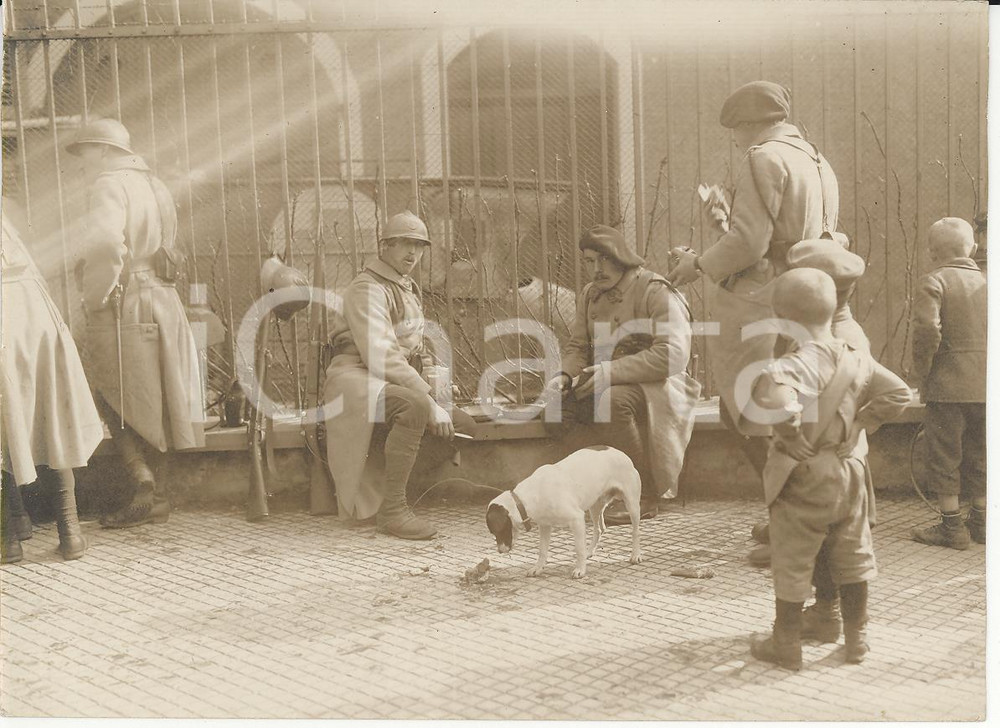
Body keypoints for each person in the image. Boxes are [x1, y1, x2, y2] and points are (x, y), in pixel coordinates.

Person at [667, 81, 841, 500]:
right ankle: (800, 509)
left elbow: (751, 244)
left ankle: (796, 509)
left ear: (748, 125)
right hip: (807, 292)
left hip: (765, 298)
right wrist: (724, 226)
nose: (735, 140)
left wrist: (699, 263)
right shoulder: (817, 160)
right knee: (794, 402)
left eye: (736, 130)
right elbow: (786, 234)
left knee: (745, 405)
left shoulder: (762, 157)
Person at [745, 268, 910, 670]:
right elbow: (900, 393)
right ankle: (857, 640)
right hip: (850, 470)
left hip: (805, 474)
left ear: (784, 321)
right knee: (853, 554)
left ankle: (785, 643)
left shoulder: (789, 364)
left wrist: (790, 430)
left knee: (793, 556)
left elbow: (782, 401)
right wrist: (859, 423)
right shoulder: (856, 357)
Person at [68, 119, 205, 529]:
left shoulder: (109, 183)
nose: (82, 162)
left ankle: (142, 482)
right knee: (157, 396)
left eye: (86, 151)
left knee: (108, 386)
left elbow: (108, 244)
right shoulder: (155, 183)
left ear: (107, 149)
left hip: (125, 299)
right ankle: (157, 492)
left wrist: (94, 296)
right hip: (163, 298)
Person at [749, 238, 874, 643]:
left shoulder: (837, 338)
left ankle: (817, 617)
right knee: (843, 548)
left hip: (825, 460)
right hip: (844, 460)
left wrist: (790, 430)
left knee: (817, 550)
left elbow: (786, 397)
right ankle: (838, 622)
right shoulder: (836, 331)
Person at [324, 211, 475, 540]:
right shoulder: (368, 287)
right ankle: (392, 511)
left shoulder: (403, 286)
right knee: (417, 409)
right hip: (355, 379)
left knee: (462, 425)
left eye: (419, 246)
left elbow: (407, 347)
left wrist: (433, 380)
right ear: (385, 246)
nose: (412, 253)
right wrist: (427, 398)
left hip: (385, 379)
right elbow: (381, 355)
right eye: (404, 244)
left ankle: (390, 492)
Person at [545, 225, 701, 524]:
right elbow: (579, 345)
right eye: (590, 261)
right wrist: (564, 376)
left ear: (621, 257)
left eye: (604, 259)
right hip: (607, 379)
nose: (596, 269)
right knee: (555, 413)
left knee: (612, 402)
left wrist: (609, 371)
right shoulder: (591, 295)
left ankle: (641, 493)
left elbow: (673, 355)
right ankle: (601, 485)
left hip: (660, 386)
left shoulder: (654, 291)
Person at [1, 200, 106, 563]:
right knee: (51, 416)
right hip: (34, 310)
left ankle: (9, 538)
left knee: (5, 423)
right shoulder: (9, 207)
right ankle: (69, 533)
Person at [910, 218, 986, 549]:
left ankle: (952, 527)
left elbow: (927, 330)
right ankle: (982, 521)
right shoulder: (987, 283)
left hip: (947, 385)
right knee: (981, 451)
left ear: (931, 253)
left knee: (944, 453)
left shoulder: (934, 281)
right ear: (973, 248)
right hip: (986, 386)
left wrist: (922, 370)